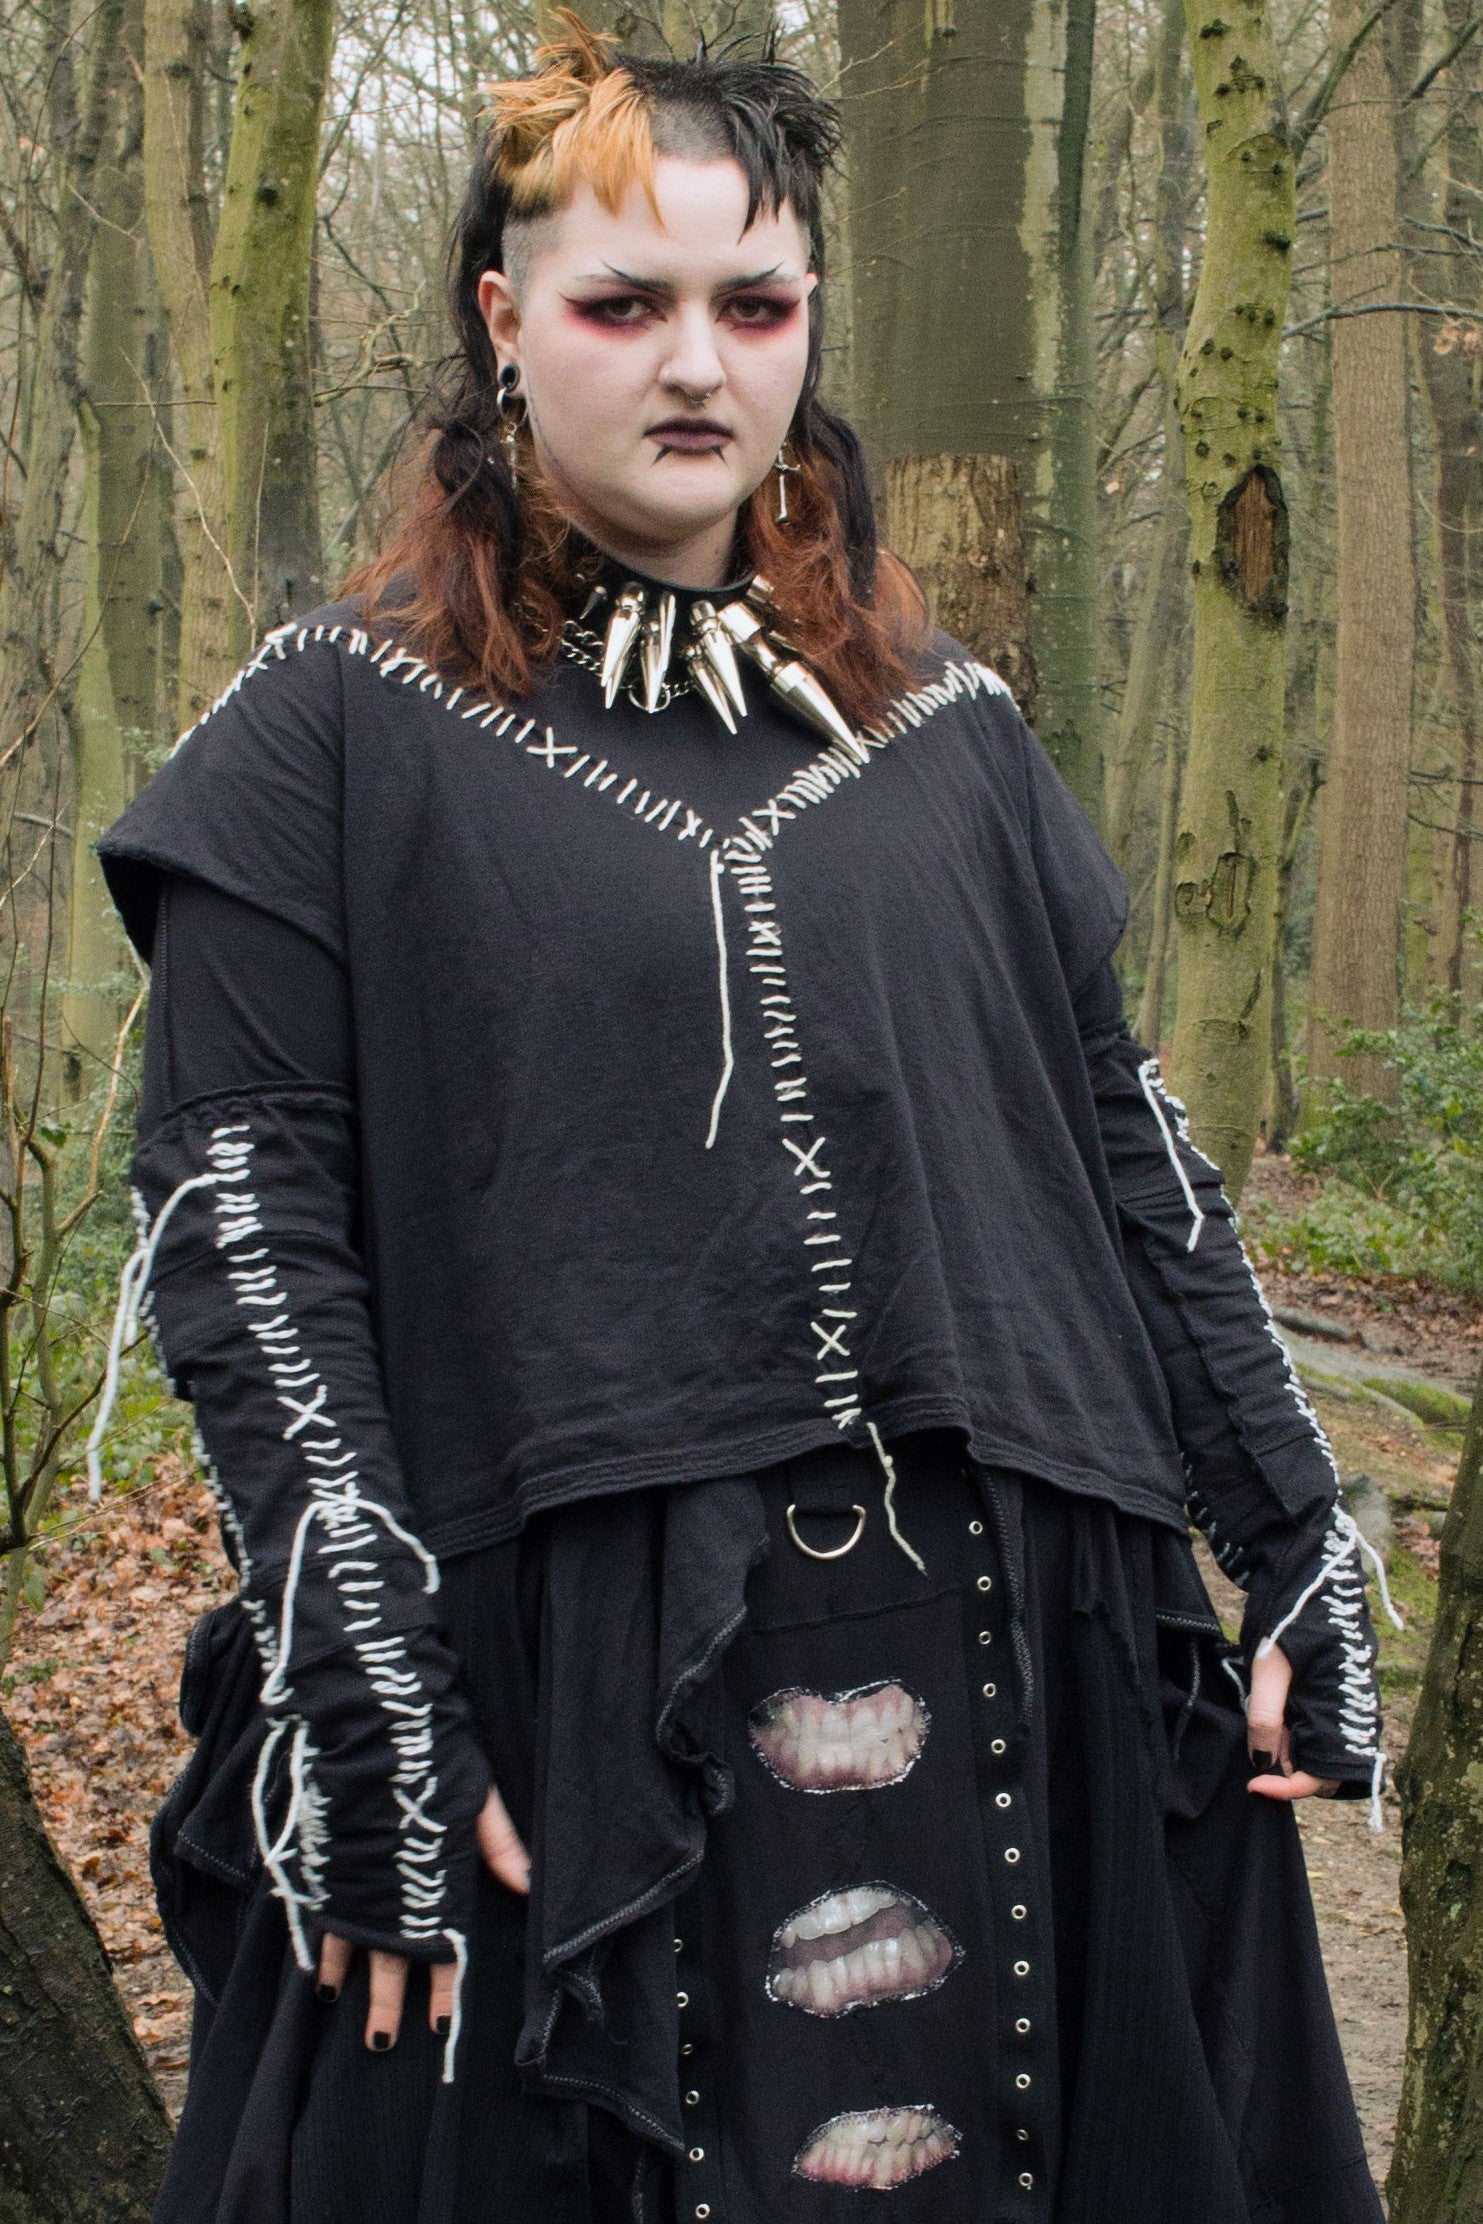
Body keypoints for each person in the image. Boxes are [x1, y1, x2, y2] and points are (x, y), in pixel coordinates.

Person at [95, 18, 1394, 2222]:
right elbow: (244, 1215)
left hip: (1029, 1655)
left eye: (756, 303)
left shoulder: (949, 732)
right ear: (503, 321)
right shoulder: (329, 727)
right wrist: (371, 1688)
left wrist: (1296, 1541)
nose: (698, 363)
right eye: (625, 303)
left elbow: (1125, 1152)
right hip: (567, 1696)